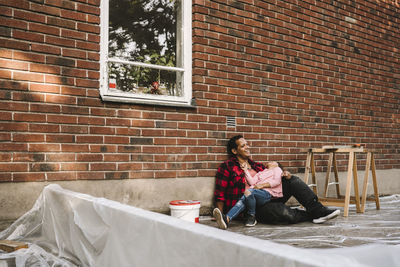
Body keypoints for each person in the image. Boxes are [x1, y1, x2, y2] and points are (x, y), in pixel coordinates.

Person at [213, 135, 340, 226]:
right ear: (234, 151)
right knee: (283, 214)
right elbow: (220, 194)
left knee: (293, 180)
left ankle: (319, 211)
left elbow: (274, 176)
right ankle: (312, 215)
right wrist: (221, 214)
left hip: (268, 196)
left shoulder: (258, 166)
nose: (247, 147)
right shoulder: (227, 167)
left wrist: (285, 174)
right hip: (251, 207)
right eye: (243, 145)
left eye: (247, 144)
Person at [213, 162, 283, 229]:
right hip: (254, 192)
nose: (270, 162)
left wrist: (261, 185)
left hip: (266, 194)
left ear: (277, 165)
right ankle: (227, 219)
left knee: (248, 192)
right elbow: (252, 182)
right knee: (243, 200)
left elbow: (277, 181)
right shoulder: (261, 173)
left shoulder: (277, 169)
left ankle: (251, 215)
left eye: (273, 162)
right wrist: (245, 170)